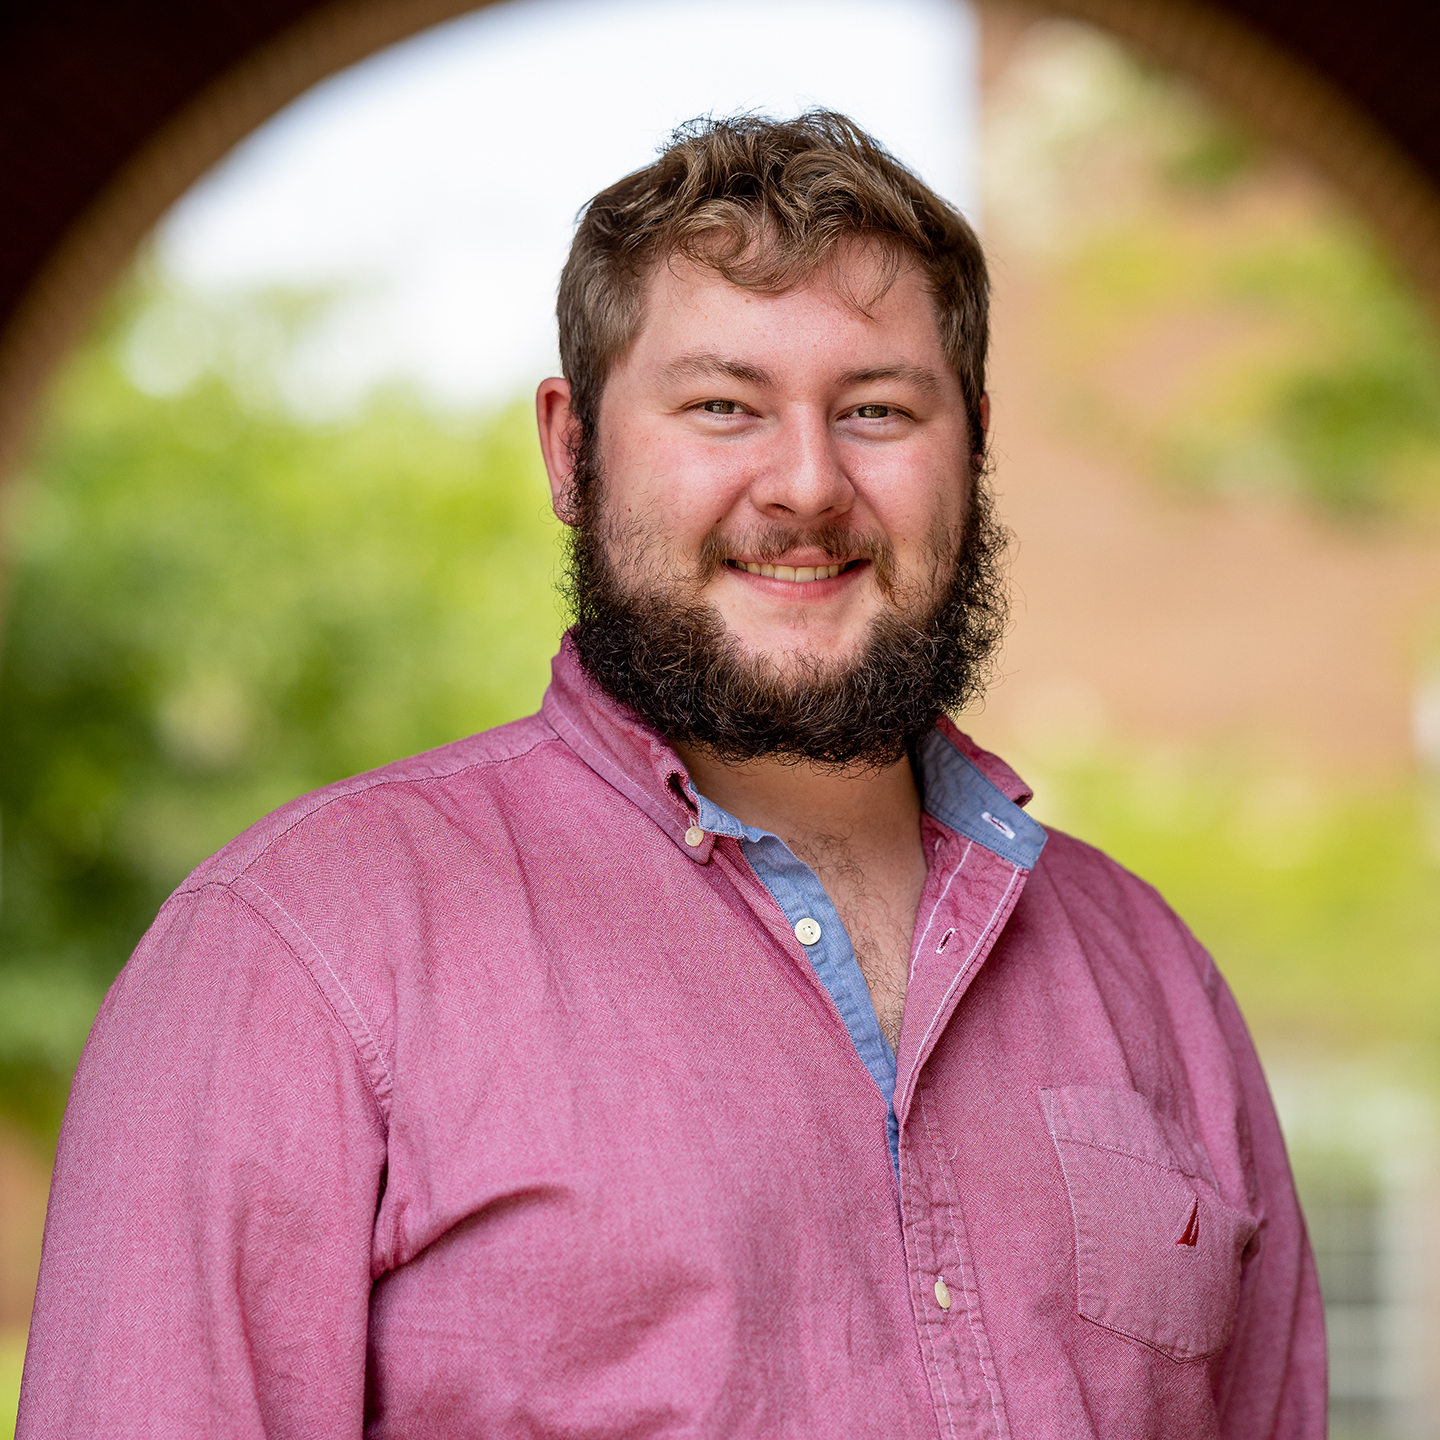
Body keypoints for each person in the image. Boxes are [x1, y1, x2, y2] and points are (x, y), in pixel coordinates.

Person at [19, 112, 1324, 1438]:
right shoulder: (294, 958)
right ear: (570, 452)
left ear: (974, 449)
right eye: (722, 407)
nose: (808, 486)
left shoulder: (1152, 976)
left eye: (877, 409)